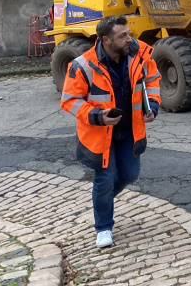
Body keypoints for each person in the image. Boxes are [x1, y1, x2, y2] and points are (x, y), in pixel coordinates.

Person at [60, 15, 161, 248]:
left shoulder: (139, 54)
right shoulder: (83, 64)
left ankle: (101, 202)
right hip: (99, 134)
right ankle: (103, 227)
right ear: (105, 40)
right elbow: (69, 100)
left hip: (130, 130)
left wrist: (153, 105)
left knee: (130, 174)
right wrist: (98, 116)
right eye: (122, 36)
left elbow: (153, 80)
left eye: (129, 33)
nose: (129, 39)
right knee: (105, 179)